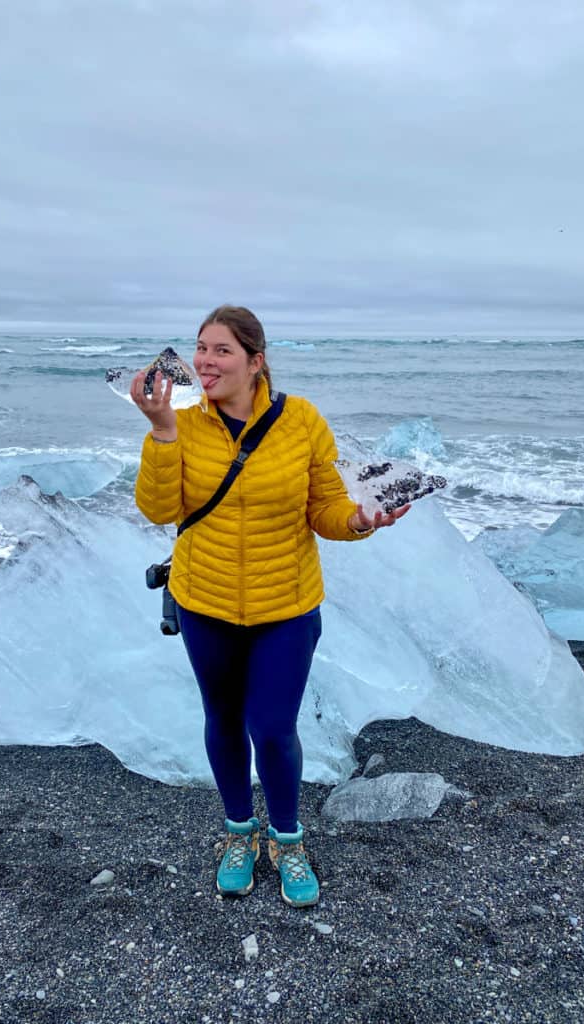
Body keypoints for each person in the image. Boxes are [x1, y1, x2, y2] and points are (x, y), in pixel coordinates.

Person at [131, 305, 409, 908]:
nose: (204, 360)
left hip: (286, 604)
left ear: (256, 361)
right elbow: (159, 509)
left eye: (221, 350)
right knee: (224, 721)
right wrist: (159, 431)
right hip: (204, 602)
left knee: (274, 727)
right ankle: (238, 835)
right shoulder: (180, 418)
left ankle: (288, 840)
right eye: (200, 348)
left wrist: (362, 521)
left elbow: (326, 511)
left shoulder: (302, 420)